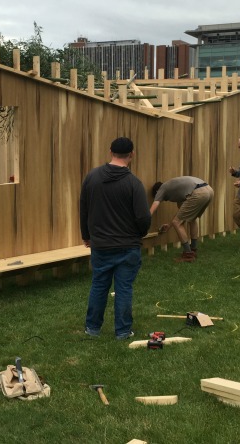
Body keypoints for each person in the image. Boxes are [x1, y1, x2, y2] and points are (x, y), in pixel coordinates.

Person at [80, 137, 151, 340]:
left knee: (99, 285)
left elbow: (83, 209)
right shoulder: (133, 184)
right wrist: (140, 234)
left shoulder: (92, 177)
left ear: (110, 151)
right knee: (124, 288)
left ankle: (92, 328)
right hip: (127, 246)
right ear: (132, 154)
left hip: (100, 245)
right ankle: (123, 331)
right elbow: (143, 217)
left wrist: (86, 236)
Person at [150, 176, 214, 262]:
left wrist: (144, 218)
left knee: (177, 223)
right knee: (192, 219)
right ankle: (193, 249)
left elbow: (154, 206)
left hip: (198, 192)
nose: (163, 200)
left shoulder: (162, 188)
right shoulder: (178, 191)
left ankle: (188, 255)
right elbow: (180, 214)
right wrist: (169, 226)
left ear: (157, 192)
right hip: (209, 190)